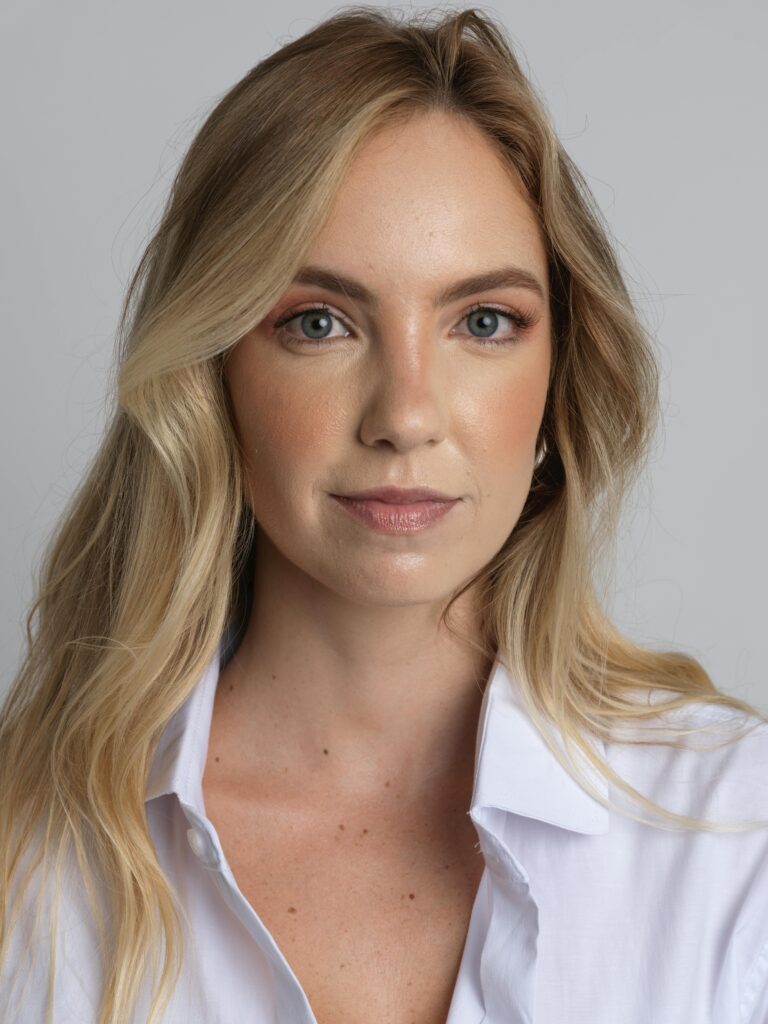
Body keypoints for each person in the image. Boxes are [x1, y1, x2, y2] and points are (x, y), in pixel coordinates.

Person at [2, 6, 767, 1023]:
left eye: (482, 322)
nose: (406, 414)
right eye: (318, 322)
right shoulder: (27, 853)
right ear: (214, 369)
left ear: (560, 374)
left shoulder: (736, 840)